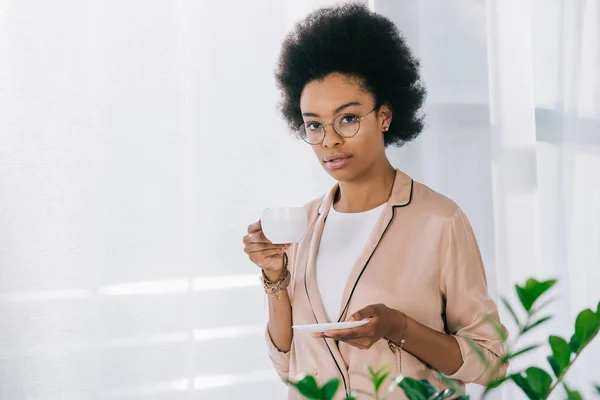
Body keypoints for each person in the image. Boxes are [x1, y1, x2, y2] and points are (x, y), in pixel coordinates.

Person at [242, 3, 507, 399]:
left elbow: (492, 363)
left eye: (347, 118)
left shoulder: (440, 221)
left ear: (384, 116)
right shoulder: (305, 223)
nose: (330, 139)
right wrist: (275, 276)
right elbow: (288, 365)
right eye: (314, 125)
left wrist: (399, 329)